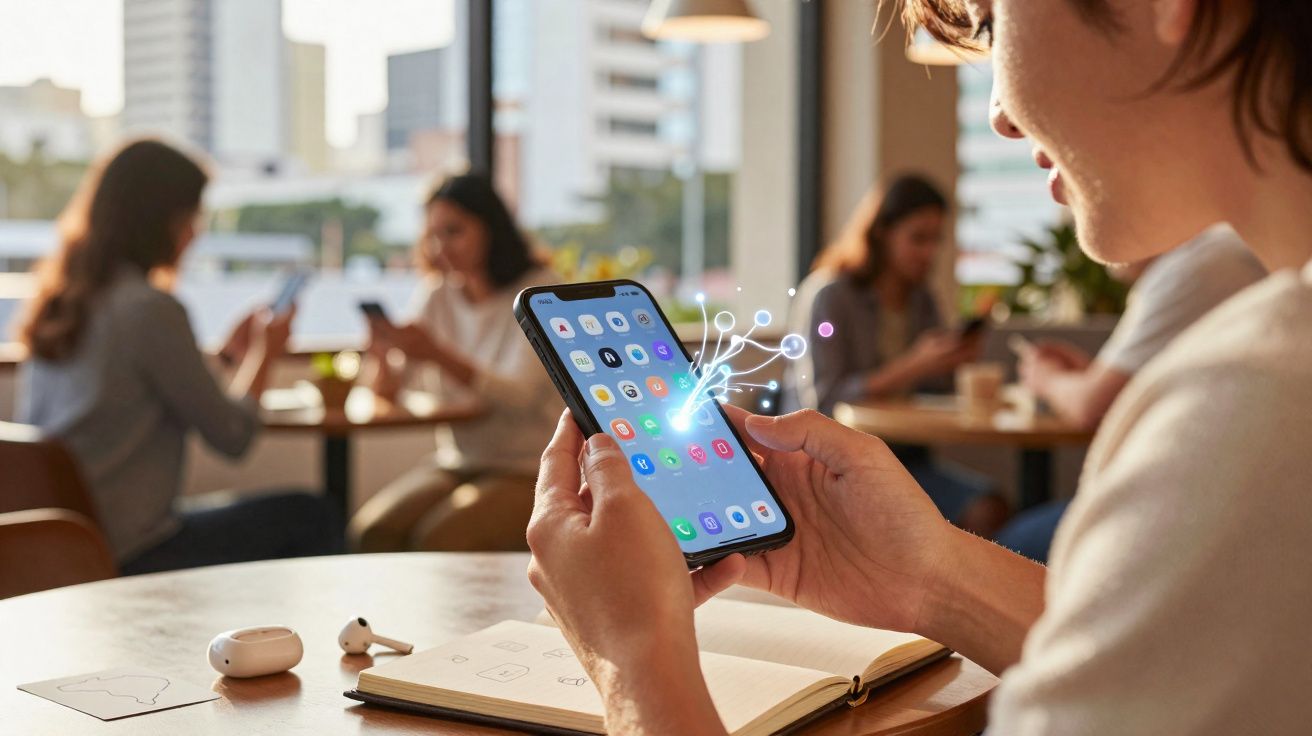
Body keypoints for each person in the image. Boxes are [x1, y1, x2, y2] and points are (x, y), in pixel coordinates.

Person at [524, 1, 1312, 733]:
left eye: (991, 20)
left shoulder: (1261, 403)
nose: (999, 112)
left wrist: (634, 660)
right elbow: (1177, 674)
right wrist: (923, 577)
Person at [16, 139, 340, 575]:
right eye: (192, 216)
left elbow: (145, 391)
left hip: (65, 546)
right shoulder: (150, 309)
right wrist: (266, 354)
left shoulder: (62, 302)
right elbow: (233, 437)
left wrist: (229, 359)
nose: (196, 232)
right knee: (312, 516)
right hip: (134, 551)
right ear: (162, 221)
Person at [996, 224, 1266, 561]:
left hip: (1191, 508)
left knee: (1008, 547)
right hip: (1212, 495)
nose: (1063, 201)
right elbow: (1132, 394)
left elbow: (1090, 407)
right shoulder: (1202, 260)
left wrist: (1046, 379)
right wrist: (1090, 376)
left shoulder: (1193, 269)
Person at [783, 174, 1006, 535]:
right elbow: (824, 400)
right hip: (833, 463)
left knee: (989, 508)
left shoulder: (921, 299)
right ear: (882, 233)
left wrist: (952, 361)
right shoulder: (830, 296)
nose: (929, 252)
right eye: (918, 238)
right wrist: (913, 365)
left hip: (905, 458)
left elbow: (934, 392)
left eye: (936, 240)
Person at [347, 174, 560, 552]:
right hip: (458, 461)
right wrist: (381, 353)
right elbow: (387, 392)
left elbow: (520, 396)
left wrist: (437, 355)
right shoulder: (437, 294)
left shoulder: (538, 291)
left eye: (454, 231)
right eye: (433, 235)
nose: (440, 247)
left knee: (439, 539)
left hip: (529, 467)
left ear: (492, 229)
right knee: (372, 531)